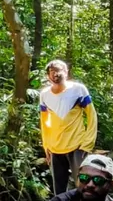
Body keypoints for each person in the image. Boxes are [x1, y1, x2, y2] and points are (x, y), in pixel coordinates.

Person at [39, 60, 98, 193]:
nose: (56, 75)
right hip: (55, 147)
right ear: (48, 75)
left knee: (84, 185)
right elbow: (44, 121)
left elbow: (91, 115)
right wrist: (46, 144)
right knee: (58, 189)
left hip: (77, 145)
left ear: (66, 72)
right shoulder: (44, 94)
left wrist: (88, 142)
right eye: (52, 72)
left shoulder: (78, 89)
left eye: (59, 71)